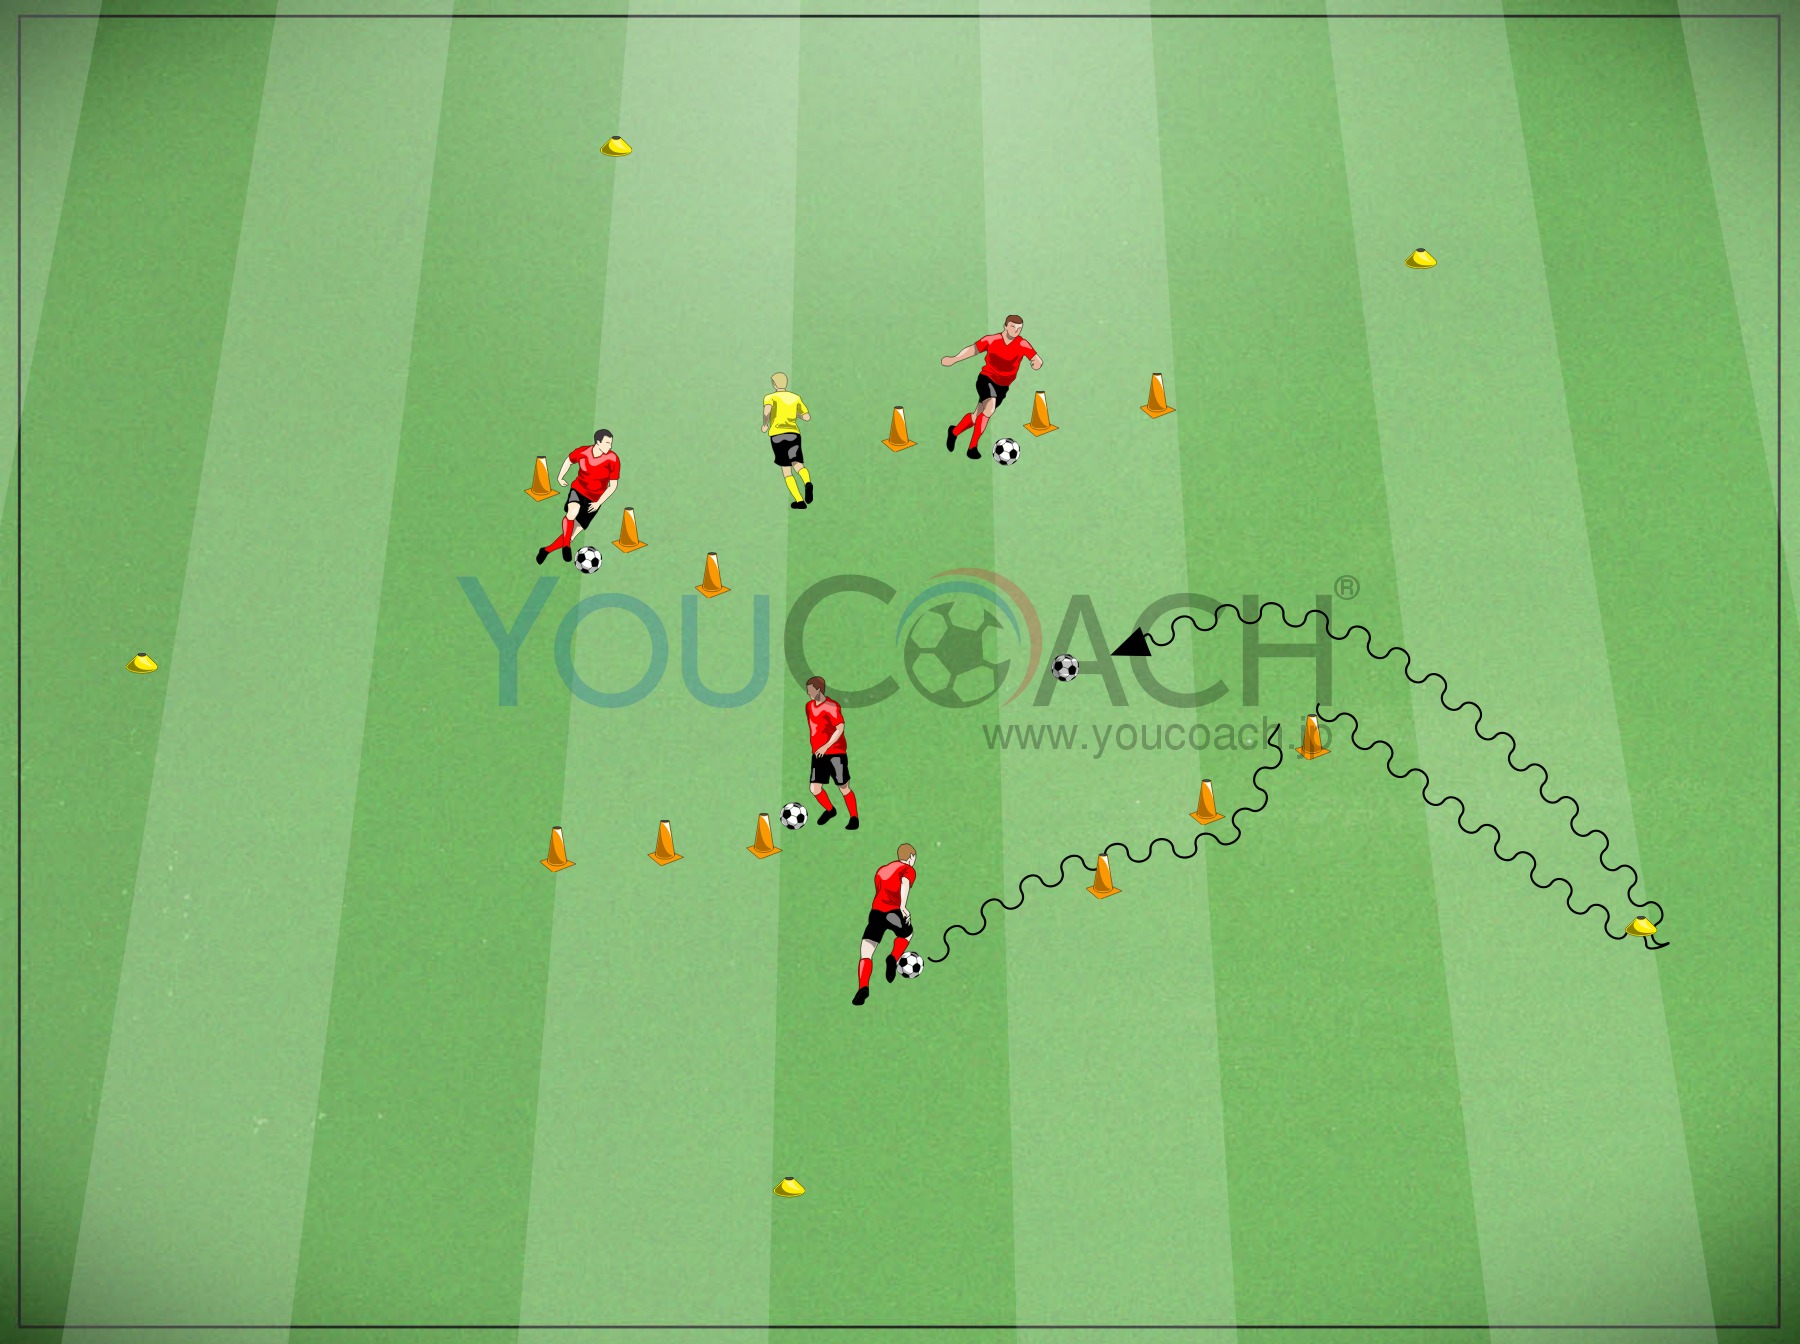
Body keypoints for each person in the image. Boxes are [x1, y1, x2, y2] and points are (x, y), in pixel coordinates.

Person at [941, 314, 1043, 459]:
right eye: (1013, 327)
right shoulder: (991, 340)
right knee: (989, 409)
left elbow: (1036, 358)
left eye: (1019, 328)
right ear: (1005, 326)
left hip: (1003, 386)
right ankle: (972, 448)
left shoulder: (1022, 344)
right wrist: (954, 359)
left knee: (977, 416)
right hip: (986, 378)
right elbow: (972, 349)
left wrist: (1036, 363)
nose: (1016, 331)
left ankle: (954, 432)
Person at [537, 431, 619, 564]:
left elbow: (613, 485)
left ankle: (546, 550)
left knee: (571, 535)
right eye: (607, 443)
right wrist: (560, 477)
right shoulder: (582, 452)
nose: (610, 446)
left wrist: (598, 503)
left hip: (595, 500)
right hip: (579, 490)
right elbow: (569, 461)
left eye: (611, 443)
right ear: (598, 442)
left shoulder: (613, 459)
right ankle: (566, 546)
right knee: (572, 512)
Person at [854, 843, 917, 1005]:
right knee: (907, 934)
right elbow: (904, 883)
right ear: (911, 857)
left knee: (866, 953)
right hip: (893, 913)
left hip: (876, 914)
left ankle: (863, 987)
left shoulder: (881, 870)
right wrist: (902, 906)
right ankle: (893, 957)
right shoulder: (908, 869)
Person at [804, 675, 857, 828]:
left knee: (843, 787)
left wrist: (825, 746)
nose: (808, 693)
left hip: (836, 753)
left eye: (810, 690)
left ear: (818, 689)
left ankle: (854, 817)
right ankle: (830, 810)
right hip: (818, 754)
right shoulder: (809, 706)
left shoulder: (832, 706)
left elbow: (839, 728)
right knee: (814, 788)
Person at [762, 373, 813, 510]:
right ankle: (807, 482)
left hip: (777, 434)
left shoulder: (770, 397)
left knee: (786, 470)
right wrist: (794, 414)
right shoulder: (795, 398)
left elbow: (767, 412)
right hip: (793, 434)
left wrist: (765, 424)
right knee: (798, 464)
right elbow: (807, 417)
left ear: (774, 384)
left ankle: (799, 501)